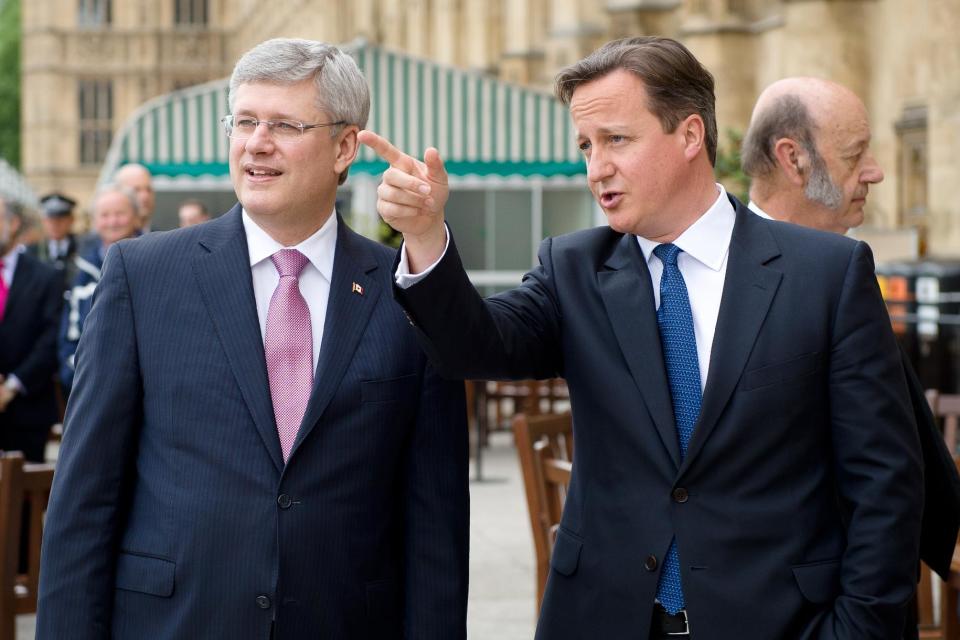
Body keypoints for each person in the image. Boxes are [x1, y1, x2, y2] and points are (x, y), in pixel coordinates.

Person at [361, 36, 923, 639]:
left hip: (782, 623)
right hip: (604, 619)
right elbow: (477, 345)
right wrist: (423, 235)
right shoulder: (573, 267)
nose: (595, 166)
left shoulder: (826, 273)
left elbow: (885, 482)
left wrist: (858, 630)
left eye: (616, 140)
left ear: (689, 136)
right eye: (585, 145)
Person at [37, 37, 468, 640]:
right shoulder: (141, 275)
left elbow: (435, 526)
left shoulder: (406, 292)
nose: (256, 142)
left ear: (345, 146)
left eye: (285, 124)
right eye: (244, 121)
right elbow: (82, 502)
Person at [741, 76, 960, 639]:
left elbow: (895, 450)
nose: (877, 171)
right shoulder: (719, 280)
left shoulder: (847, 269)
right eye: (855, 153)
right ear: (792, 159)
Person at [57, 184, 140, 393]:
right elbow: (69, 339)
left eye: (120, 214)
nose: (112, 222)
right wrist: (83, 380)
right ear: (94, 222)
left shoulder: (158, 262)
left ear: (136, 217)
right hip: (93, 390)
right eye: (104, 215)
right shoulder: (80, 272)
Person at [0, 198, 62, 462]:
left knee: (24, 500)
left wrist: (11, 386)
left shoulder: (47, 276)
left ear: (13, 224)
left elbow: (50, 340)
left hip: (27, 410)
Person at [28, 192, 79, 289]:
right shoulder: (32, 251)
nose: (55, 224)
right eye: (51, 219)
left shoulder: (82, 248)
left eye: (61, 219)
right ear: (43, 221)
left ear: (71, 220)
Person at [114, 163, 156, 232]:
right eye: (136, 190)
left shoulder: (163, 239)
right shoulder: (98, 241)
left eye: (149, 190)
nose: (145, 196)